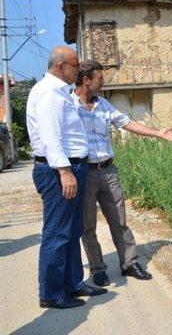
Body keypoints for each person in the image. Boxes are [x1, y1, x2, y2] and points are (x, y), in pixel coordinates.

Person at [73, 60, 172, 287]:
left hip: (108, 170)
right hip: (84, 172)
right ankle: (98, 269)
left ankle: (129, 263)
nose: (103, 83)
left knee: (119, 220)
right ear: (86, 80)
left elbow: (127, 123)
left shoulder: (104, 104)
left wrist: (158, 134)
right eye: (99, 79)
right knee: (87, 225)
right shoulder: (68, 105)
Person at [27, 47, 107, 309]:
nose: (78, 70)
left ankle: (73, 283)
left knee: (72, 230)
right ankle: (51, 293)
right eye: (74, 66)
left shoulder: (61, 93)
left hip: (73, 167)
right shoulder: (49, 93)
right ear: (60, 66)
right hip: (58, 171)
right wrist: (64, 171)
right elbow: (51, 137)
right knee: (57, 233)